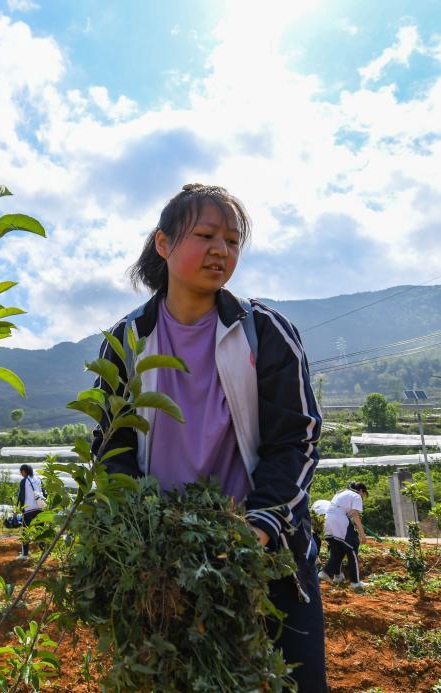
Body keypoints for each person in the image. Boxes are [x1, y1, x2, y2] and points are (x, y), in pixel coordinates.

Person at [91, 184, 326, 691]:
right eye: (205, 235)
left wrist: (259, 526)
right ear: (163, 244)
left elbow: (297, 438)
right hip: (165, 564)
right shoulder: (127, 341)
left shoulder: (263, 330)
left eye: (233, 241)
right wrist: (140, 531)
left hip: (264, 556)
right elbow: (111, 447)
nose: (222, 250)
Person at [319, 481, 370, 591]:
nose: (363, 497)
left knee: (338, 550)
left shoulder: (341, 493)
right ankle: (355, 583)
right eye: (364, 494)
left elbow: (349, 513)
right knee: (352, 546)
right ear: (361, 491)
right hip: (339, 521)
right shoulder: (356, 495)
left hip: (328, 521)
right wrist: (362, 534)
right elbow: (355, 516)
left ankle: (327, 572)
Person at [17, 464, 45, 559]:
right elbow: (45, 493)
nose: (21, 473)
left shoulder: (24, 481)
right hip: (40, 509)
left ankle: (24, 554)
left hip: (28, 510)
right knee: (40, 531)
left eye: (21, 471)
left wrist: (20, 508)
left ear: (24, 471)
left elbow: (21, 496)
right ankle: (44, 552)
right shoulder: (39, 479)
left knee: (25, 531)